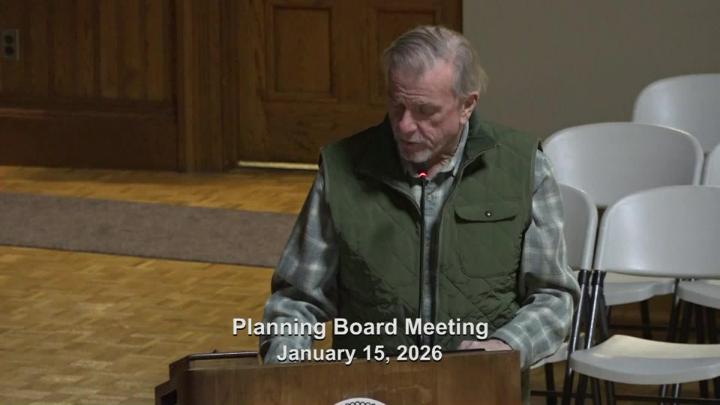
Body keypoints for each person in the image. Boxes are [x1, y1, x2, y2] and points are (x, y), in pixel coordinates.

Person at [260, 25, 579, 396]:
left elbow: (554, 298)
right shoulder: (342, 168)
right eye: (397, 106)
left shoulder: (524, 167)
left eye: (426, 111)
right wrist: (286, 377)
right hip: (369, 392)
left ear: (467, 105)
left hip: (478, 393)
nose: (405, 126)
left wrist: (506, 348)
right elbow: (297, 299)